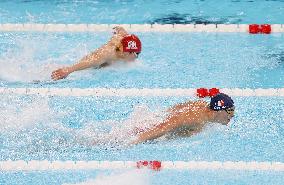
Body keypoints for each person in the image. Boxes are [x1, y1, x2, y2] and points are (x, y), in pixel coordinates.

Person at [131, 93, 235, 144]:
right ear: (219, 110)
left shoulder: (203, 106)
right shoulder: (195, 117)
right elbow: (164, 126)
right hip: (148, 129)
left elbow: (174, 110)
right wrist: (134, 141)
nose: (232, 115)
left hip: (156, 121)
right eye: (230, 111)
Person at [51, 26, 142, 81]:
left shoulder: (124, 38)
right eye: (136, 53)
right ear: (127, 53)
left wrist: (116, 30)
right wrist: (68, 70)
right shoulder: (108, 53)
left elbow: (119, 29)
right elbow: (90, 61)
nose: (137, 56)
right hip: (93, 63)